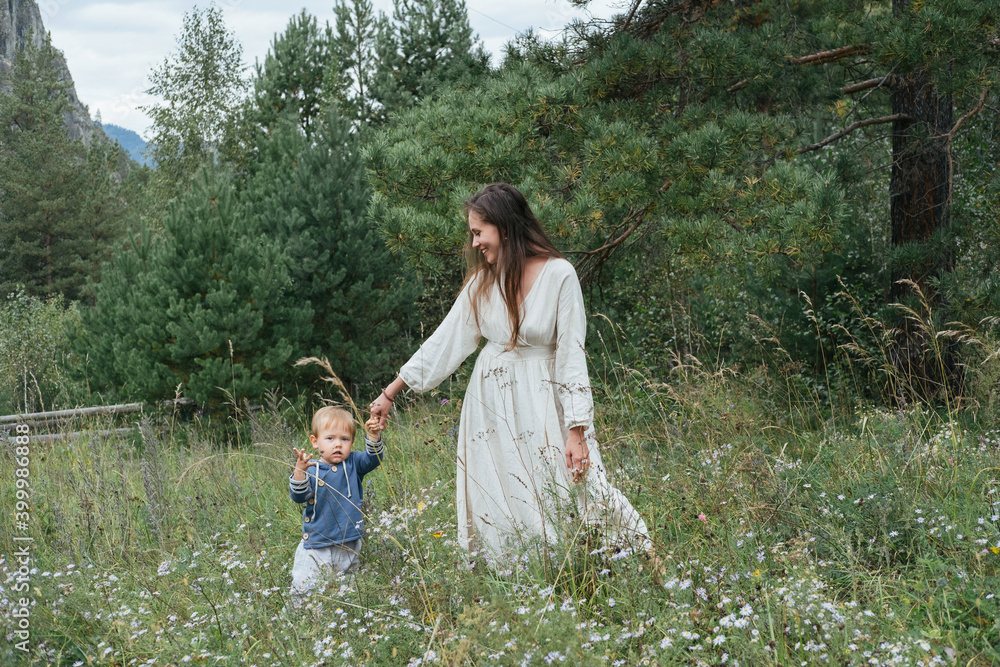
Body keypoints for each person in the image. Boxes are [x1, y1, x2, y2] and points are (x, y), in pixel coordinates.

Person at [369, 182, 651, 559]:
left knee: (582, 485)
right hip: (491, 405)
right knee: (505, 496)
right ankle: (528, 576)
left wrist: (577, 430)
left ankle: (642, 559)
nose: (474, 243)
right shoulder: (483, 283)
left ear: (503, 227)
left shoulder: (559, 275)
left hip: (545, 399)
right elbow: (444, 341)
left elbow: (572, 355)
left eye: (478, 232)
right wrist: (390, 393)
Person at [288, 406, 384, 606]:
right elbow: (298, 496)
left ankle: (341, 615)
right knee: (305, 587)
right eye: (330, 438)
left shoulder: (354, 463)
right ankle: (299, 616)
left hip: (348, 541)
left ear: (352, 442)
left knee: (346, 588)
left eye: (345, 439)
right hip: (317, 543)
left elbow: (373, 459)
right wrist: (299, 471)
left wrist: (373, 436)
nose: (338, 444)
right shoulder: (312, 469)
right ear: (315, 441)